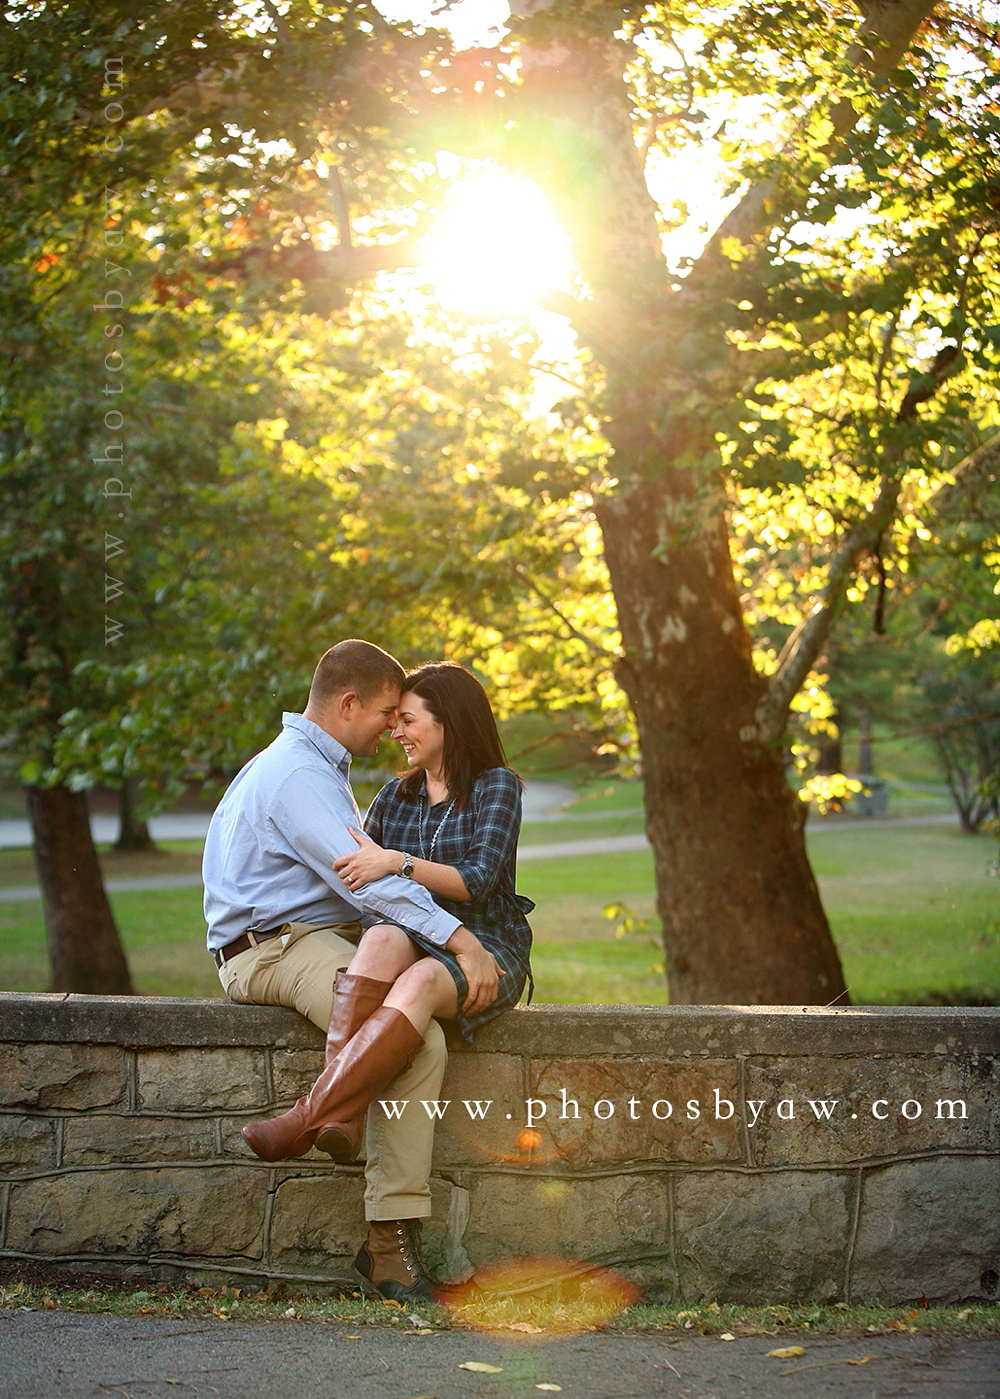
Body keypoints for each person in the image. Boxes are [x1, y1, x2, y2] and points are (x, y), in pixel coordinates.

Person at [202, 641, 530, 1302]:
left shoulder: (320, 768)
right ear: (348, 703)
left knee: (399, 993)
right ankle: (387, 1245)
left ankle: (320, 1116)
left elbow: (415, 876)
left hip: (315, 937)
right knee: (418, 1045)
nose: (392, 728)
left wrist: (443, 918)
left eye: (406, 717)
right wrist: (460, 938)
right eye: (388, 712)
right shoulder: (302, 775)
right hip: (276, 946)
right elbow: (371, 887)